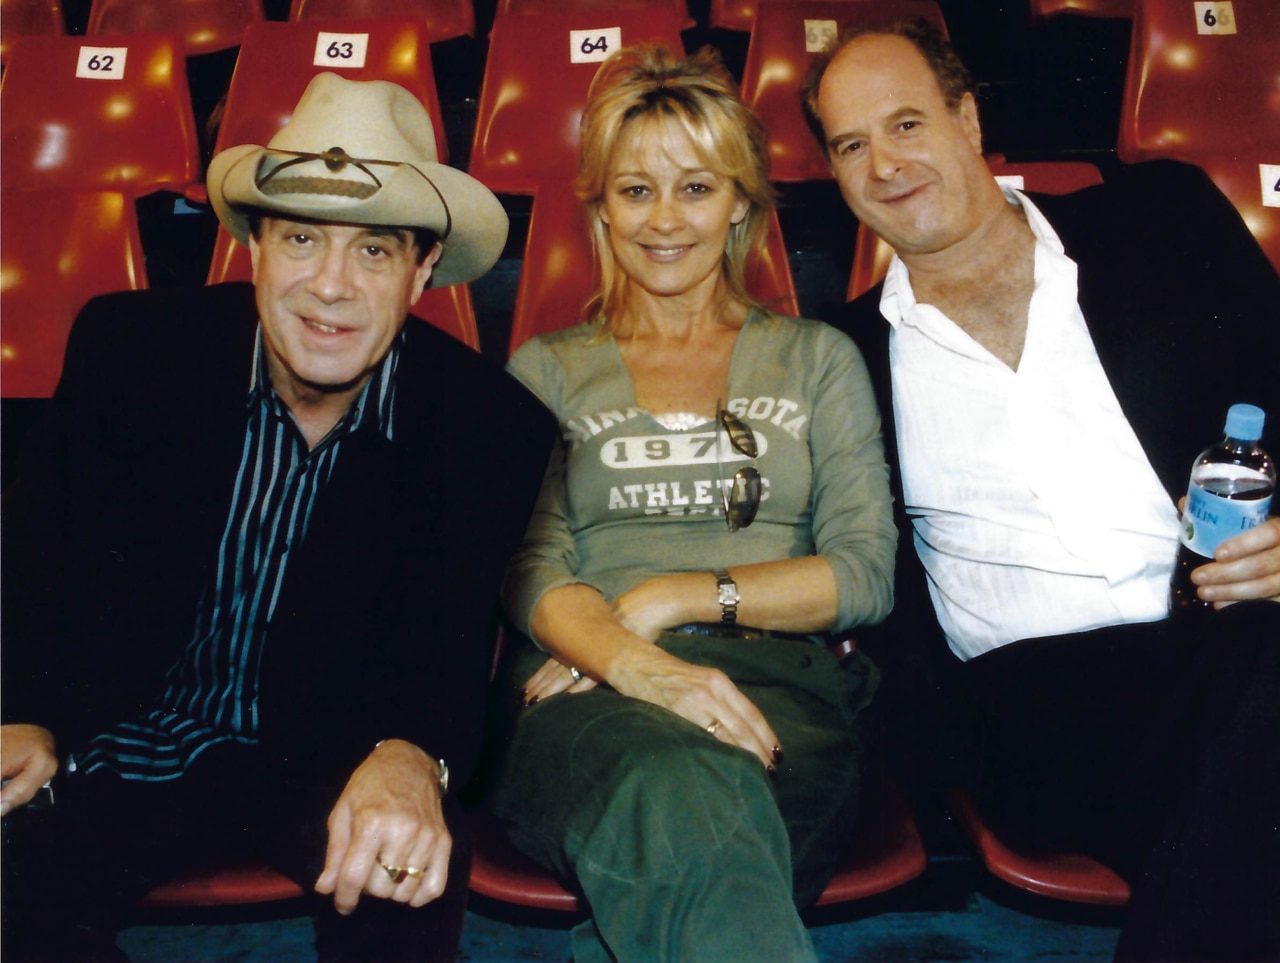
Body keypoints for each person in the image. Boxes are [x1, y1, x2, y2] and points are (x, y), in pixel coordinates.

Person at [0, 73, 556, 963]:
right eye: (301, 238)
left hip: (324, 755)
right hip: (122, 732)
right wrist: (17, 709)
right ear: (254, 245)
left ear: (420, 274)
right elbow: (28, 552)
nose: (329, 286)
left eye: (374, 252)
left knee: (409, 867)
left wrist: (414, 757)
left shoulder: (489, 423)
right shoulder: (130, 349)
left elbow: (448, 642)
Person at [801, 18, 1280, 962]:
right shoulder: (838, 354)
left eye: (906, 124)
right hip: (1038, 709)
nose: (886, 164)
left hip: (1224, 631)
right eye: (853, 144)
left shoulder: (1159, 219)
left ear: (968, 120)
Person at [487, 44, 895, 963]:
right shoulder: (547, 370)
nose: (663, 220)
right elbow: (531, 566)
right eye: (635, 191)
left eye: (696, 188)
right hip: (586, 688)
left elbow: (865, 573)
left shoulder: (816, 358)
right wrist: (634, 660)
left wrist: (673, 593)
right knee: (683, 800)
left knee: (696, 848)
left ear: (742, 202)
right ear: (598, 207)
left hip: (780, 692)